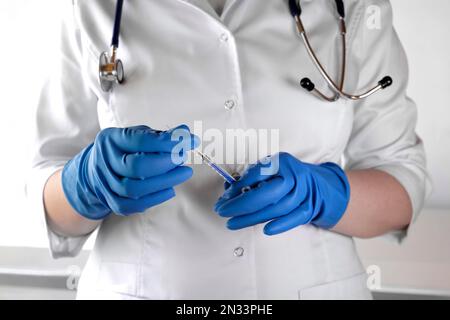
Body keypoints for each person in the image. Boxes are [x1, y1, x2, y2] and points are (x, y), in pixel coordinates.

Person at [28, 0, 430, 299]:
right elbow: (48, 198)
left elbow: (403, 181)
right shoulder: (93, 7)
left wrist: (323, 193)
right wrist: (87, 183)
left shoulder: (352, 7)